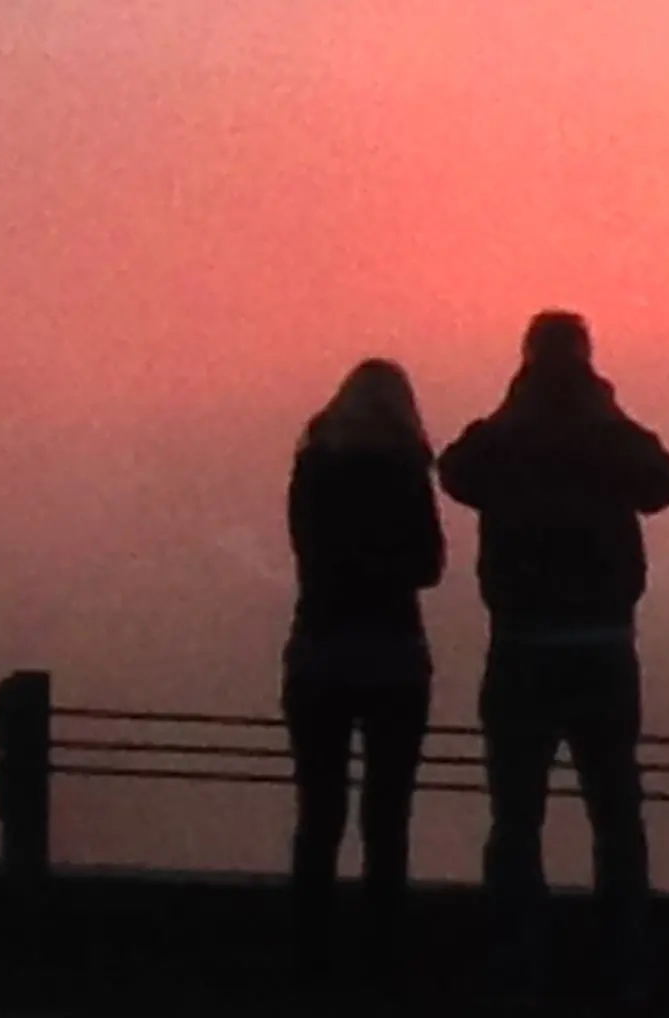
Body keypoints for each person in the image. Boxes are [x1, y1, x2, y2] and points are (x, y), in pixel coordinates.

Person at [436, 311, 669, 1013]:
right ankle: (625, 962)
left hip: (519, 648)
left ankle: (519, 962)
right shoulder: (607, 434)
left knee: (516, 818)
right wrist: (610, 413)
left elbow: (455, 469)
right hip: (603, 649)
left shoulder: (507, 437)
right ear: (587, 356)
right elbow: (666, 482)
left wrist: (509, 410)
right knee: (615, 812)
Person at [280, 358, 446, 990]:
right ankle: (384, 955)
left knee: (319, 811)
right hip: (393, 654)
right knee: (387, 813)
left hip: (318, 647)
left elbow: (305, 546)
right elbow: (430, 566)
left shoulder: (313, 465)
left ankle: (310, 954)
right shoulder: (405, 469)